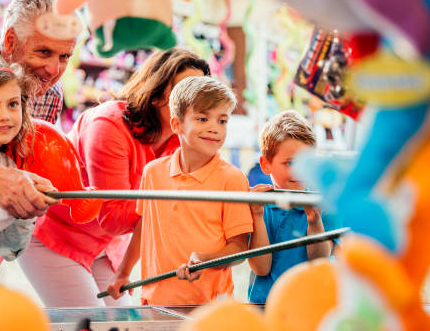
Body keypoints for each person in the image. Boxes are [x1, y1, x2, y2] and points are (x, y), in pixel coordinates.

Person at [18, 48, 211, 307]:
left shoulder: (179, 140)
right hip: (55, 236)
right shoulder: (108, 125)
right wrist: (174, 207)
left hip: (105, 247)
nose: (193, 101)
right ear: (156, 92)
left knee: (120, 324)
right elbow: (112, 216)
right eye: (183, 89)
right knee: (92, 325)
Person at [107, 76, 254, 305]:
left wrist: (206, 261)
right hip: (156, 302)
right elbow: (144, 226)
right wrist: (123, 273)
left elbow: (239, 247)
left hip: (211, 307)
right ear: (177, 125)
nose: (214, 128)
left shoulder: (232, 178)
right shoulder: (153, 173)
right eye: (203, 118)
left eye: (222, 121)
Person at [0, 0, 78, 220]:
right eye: (44, 52)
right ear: (10, 41)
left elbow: (22, 165)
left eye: (64, 56)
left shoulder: (50, 94)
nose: (54, 70)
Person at [0, 53, 55, 274]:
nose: (5, 115)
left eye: (13, 104)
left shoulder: (9, 166)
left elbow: (9, 250)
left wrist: (25, 211)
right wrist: (10, 204)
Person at [247, 110, 341, 304]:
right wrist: (256, 216)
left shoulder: (323, 204)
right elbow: (261, 268)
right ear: (266, 164)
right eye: (289, 163)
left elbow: (319, 262)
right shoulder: (260, 207)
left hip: (310, 307)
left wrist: (314, 223)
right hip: (266, 308)